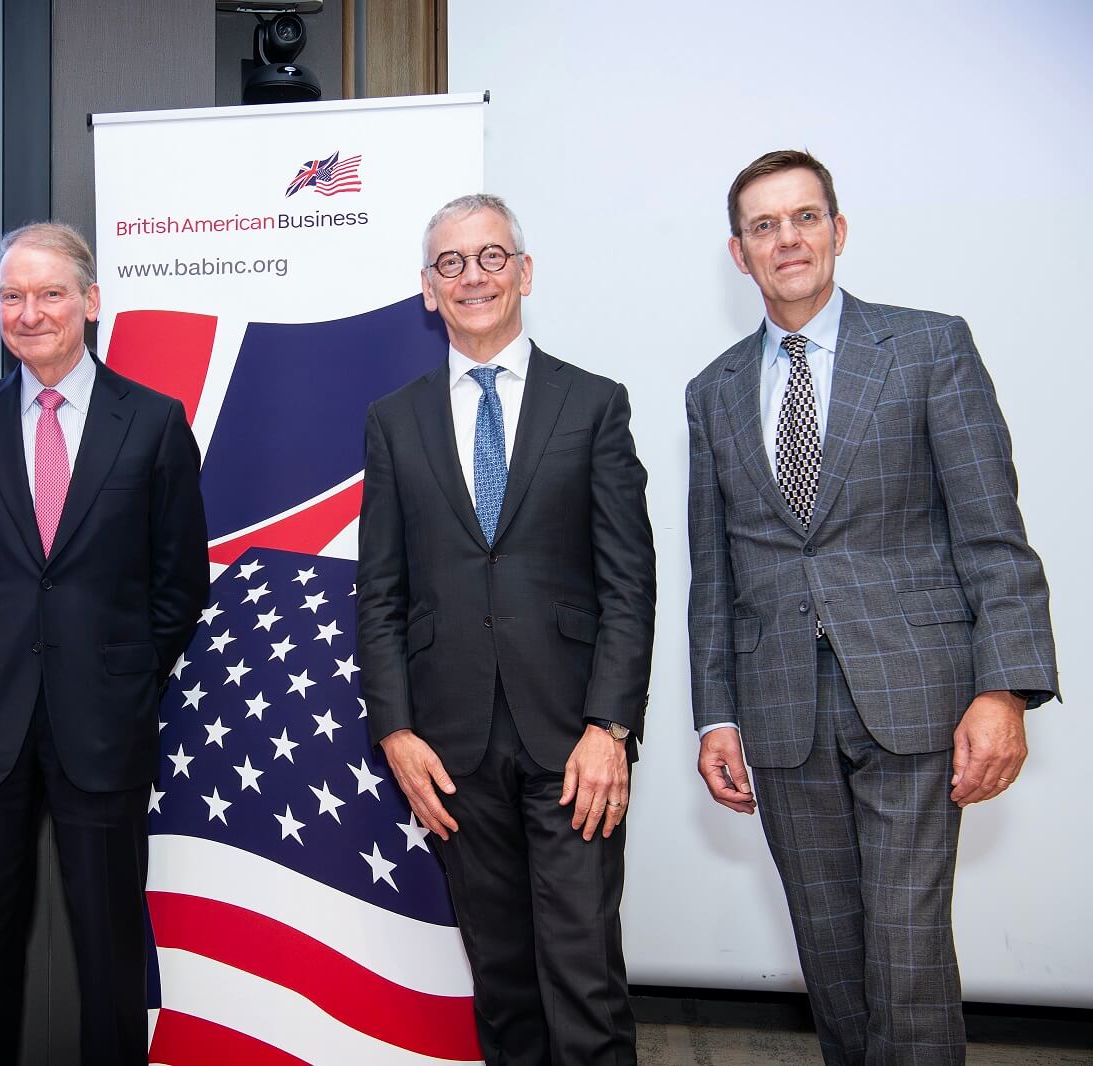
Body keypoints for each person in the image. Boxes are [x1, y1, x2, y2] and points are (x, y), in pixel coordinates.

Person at [686, 149, 1059, 1065]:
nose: (788, 239)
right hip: (781, 719)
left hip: (918, 701)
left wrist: (1004, 688)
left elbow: (992, 534)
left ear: (839, 231)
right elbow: (715, 572)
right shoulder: (713, 391)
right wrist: (717, 713)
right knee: (834, 960)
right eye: (764, 226)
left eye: (805, 217)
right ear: (740, 254)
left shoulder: (931, 348)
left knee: (906, 954)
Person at [356, 193, 655, 1065]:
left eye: (491, 257)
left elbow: (628, 583)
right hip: (450, 748)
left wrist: (612, 727)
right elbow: (380, 590)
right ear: (426, 289)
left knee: (584, 979)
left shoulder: (593, 404)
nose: (472, 277)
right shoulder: (393, 419)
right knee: (502, 982)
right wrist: (395, 728)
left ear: (525, 272)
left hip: (575, 742)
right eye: (451, 263)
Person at [0, 222, 209, 1065]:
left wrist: (118, 673)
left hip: (105, 725)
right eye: (13, 296)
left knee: (108, 953)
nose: (30, 312)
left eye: (50, 293)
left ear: (91, 303)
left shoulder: (156, 423)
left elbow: (179, 582)